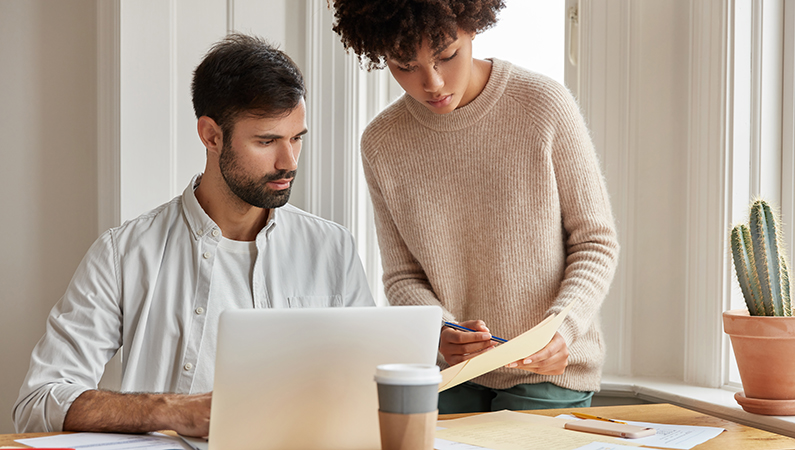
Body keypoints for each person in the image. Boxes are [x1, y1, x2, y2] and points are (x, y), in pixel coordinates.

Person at [13, 34, 374, 436]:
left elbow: (374, 382)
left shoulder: (332, 249)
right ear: (211, 135)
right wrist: (172, 410)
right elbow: (39, 401)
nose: (288, 162)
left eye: (296, 139)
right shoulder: (125, 254)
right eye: (267, 141)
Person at [330, 0, 619, 413]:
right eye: (404, 65)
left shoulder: (543, 105)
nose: (431, 83)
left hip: (549, 372)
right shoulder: (382, 143)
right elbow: (402, 275)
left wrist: (564, 329)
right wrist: (440, 329)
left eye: (447, 56)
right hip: (452, 375)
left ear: (472, 29)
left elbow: (595, 242)